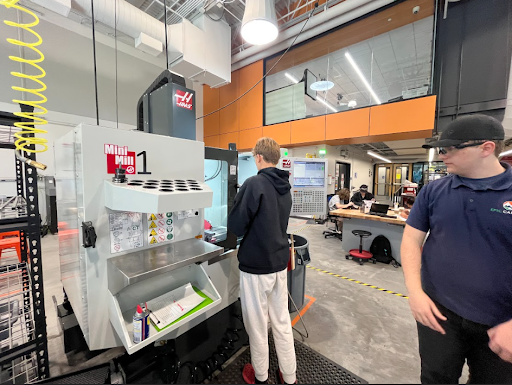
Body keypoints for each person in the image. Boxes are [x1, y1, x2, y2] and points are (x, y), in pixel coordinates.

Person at [401, 114, 512, 384]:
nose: (442, 156)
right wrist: (415, 293)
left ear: (486, 148)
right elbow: (411, 240)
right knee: (435, 376)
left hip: (500, 324)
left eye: (450, 149)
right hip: (437, 312)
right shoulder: (433, 191)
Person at [228, 137, 296, 385]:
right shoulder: (284, 186)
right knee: (281, 321)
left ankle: (260, 376)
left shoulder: (254, 183)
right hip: (279, 263)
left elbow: (235, 225)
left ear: (258, 156)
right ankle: (289, 376)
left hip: (256, 266)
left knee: (257, 325)